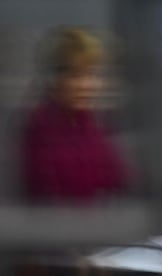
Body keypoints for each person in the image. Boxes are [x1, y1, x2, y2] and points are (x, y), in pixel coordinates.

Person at [21, 27, 129, 204]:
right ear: (54, 79)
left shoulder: (88, 123)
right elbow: (50, 204)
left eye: (91, 74)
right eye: (76, 76)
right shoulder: (40, 128)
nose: (87, 85)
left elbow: (119, 180)